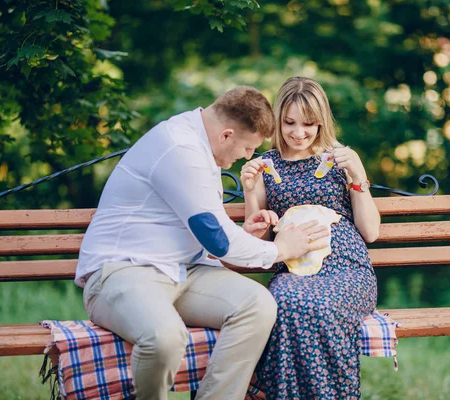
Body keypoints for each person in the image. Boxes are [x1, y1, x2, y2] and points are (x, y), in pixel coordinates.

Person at [74, 86, 329, 400]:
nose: (247, 157)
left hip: (186, 272)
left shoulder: (201, 147)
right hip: (123, 271)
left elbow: (211, 234)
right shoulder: (179, 147)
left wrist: (245, 236)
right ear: (226, 134)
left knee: (259, 306)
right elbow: (216, 238)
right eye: (248, 148)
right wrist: (281, 249)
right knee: (164, 337)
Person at [241, 77, 380, 399]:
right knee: (287, 301)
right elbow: (258, 237)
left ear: (322, 122)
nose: (298, 132)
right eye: (289, 122)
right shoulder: (267, 164)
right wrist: (250, 192)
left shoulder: (340, 159)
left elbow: (371, 232)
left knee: (315, 305)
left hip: (346, 268)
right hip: (293, 269)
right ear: (278, 120)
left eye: (309, 124)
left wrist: (359, 178)